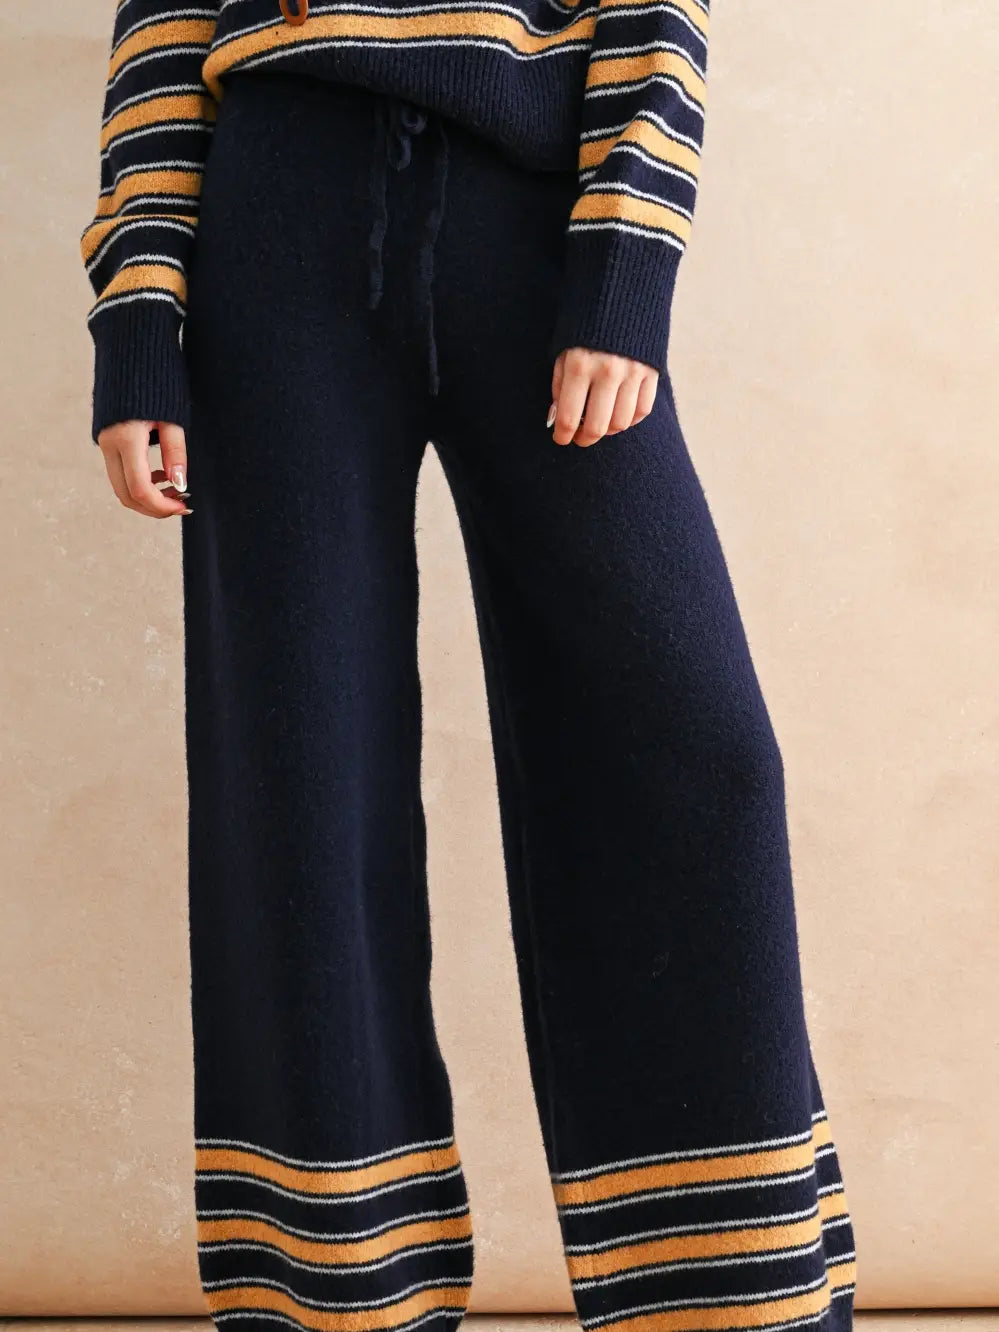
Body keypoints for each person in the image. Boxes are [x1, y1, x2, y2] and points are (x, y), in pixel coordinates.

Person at [80, 3, 858, 1331]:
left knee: (695, 752)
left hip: (535, 217)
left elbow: (659, 17)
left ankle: (728, 1303)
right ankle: (339, 1300)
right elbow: (162, 36)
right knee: (303, 776)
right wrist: (140, 321)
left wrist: (624, 268)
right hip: (276, 221)